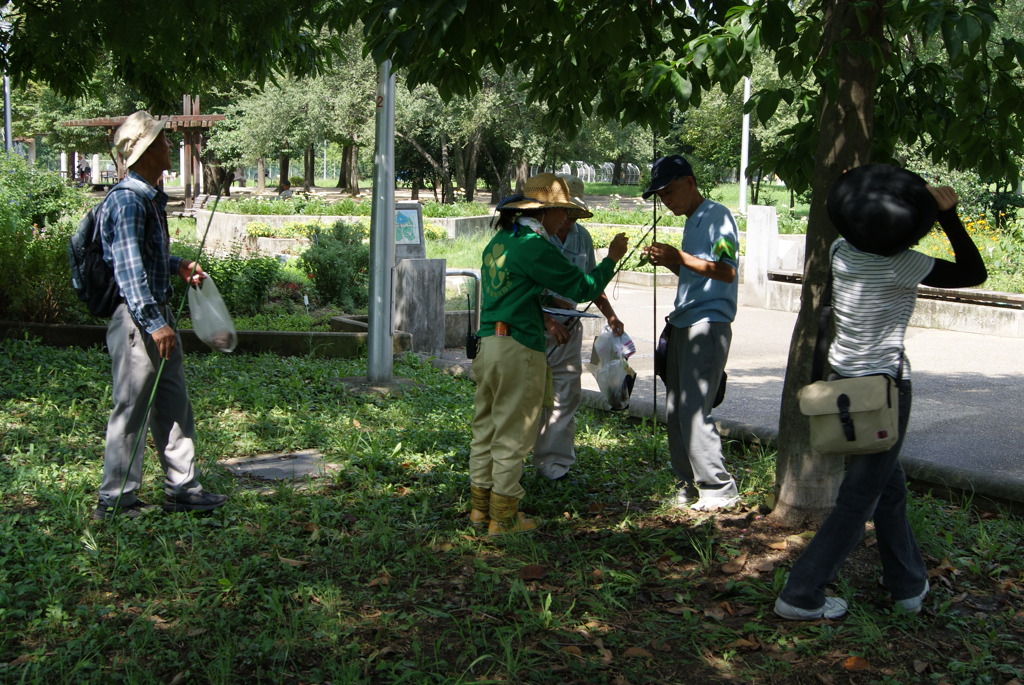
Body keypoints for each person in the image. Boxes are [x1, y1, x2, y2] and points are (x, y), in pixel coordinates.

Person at [773, 164, 987, 620]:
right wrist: (949, 216)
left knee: (888, 487)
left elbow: (853, 226)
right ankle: (801, 594)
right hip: (884, 393)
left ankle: (906, 585)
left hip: (843, 383)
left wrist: (852, 188)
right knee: (858, 499)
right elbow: (974, 272)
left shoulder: (840, 250)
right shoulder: (905, 264)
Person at [469, 173, 628, 535]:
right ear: (544, 212)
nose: (566, 220)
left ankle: (480, 509)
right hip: (518, 347)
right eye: (563, 213)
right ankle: (504, 518)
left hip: (489, 343)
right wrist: (611, 259)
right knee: (513, 433)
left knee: (487, 427)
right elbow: (582, 286)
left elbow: (520, 293)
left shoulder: (501, 240)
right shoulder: (534, 246)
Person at [93, 110, 228, 520]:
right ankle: (116, 501)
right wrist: (156, 325)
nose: (170, 145)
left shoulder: (147, 197)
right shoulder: (129, 200)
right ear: (147, 151)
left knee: (172, 403)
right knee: (132, 409)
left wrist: (178, 265)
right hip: (139, 323)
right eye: (162, 140)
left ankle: (182, 489)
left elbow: (146, 256)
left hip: (155, 317)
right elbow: (128, 271)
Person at [642, 155, 740, 511]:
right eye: (660, 196)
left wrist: (678, 257)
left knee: (695, 410)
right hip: (683, 323)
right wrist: (670, 260)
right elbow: (696, 275)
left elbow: (727, 271)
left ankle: (719, 490)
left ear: (689, 182)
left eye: (669, 191)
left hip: (708, 324)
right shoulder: (691, 221)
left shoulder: (718, 216)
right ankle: (688, 484)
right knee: (676, 410)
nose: (666, 201)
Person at [533, 175, 624, 481]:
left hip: (569, 329)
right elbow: (520, 289)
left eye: (573, 213)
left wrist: (610, 315)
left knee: (564, 396)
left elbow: (589, 282)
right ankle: (512, 465)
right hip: (532, 328)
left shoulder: (581, 237)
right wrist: (546, 318)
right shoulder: (531, 238)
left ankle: (554, 466)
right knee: (527, 395)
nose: (567, 220)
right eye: (564, 211)